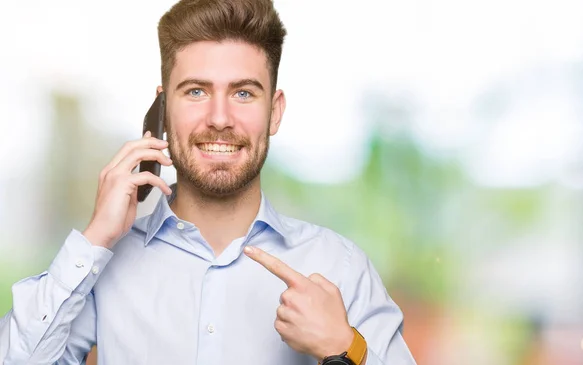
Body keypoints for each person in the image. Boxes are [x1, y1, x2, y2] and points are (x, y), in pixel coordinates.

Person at [0, 0, 416, 364]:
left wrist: (344, 348)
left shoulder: (338, 266)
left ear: (275, 111)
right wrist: (93, 241)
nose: (219, 118)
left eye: (243, 94)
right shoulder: (100, 266)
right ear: (163, 108)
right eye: (197, 91)